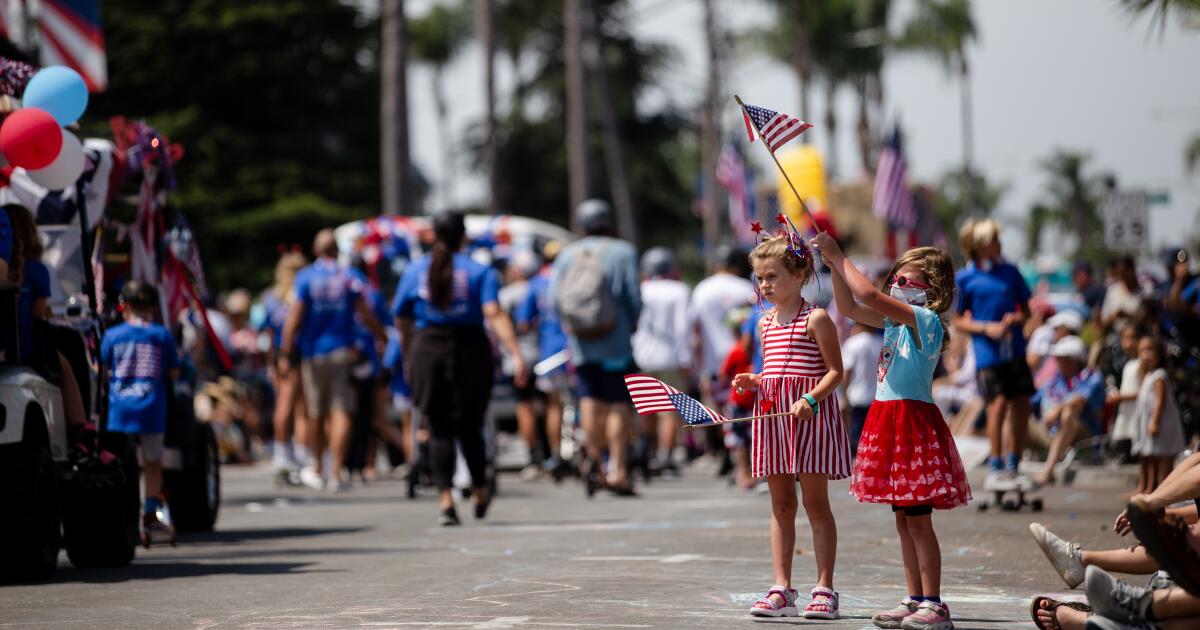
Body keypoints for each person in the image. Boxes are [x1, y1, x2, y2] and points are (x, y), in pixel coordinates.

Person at [813, 233, 971, 630]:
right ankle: (915, 596)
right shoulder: (894, 323)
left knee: (919, 520)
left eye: (906, 281)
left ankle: (934, 603)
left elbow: (865, 294)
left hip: (912, 424)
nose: (896, 286)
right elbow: (849, 305)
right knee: (903, 520)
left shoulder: (924, 320)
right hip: (889, 420)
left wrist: (840, 255)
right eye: (895, 280)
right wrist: (833, 267)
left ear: (929, 289)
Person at [733, 232, 848, 620]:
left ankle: (824, 588)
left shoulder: (815, 318)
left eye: (772, 276)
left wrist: (810, 399)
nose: (764, 285)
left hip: (809, 419)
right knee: (781, 505)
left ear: (799, 274)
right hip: (773, 418)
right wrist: (756, 381)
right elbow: (776, 372)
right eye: (760, 278)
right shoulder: (764, 323)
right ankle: (781, 587)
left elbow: (835, 371)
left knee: (816, 506)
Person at [394, 211, 527, 526]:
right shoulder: (480, 271)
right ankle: (479, 489)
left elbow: (401, 316)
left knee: (438, 427)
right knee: (471, 426)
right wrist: (515, 353)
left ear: (433, 236)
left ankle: (446, 500)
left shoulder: (415, 270)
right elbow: (493, 312)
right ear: (463, 236)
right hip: (470, 349)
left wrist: (407, 352)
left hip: (427, 349)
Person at [280, 229, 386, 491]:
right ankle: (336, 472)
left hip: (313, 352)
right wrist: (381, 335)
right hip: (342, 351)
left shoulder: (306, 278)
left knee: (315, 412)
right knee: (341, 411)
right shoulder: (349, 277)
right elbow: (365, 312)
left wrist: (285, 350)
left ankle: (318, 466)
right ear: (336, 251)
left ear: (316, 251)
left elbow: (295, 317)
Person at [551, 199, 641, 496]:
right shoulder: (623, 251)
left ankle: (596, 463)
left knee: (589, 399)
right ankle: (618, 469)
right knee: (617, 403)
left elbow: (555, 301)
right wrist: (631, 323)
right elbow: (632, 296)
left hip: (582, 343)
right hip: (616, 343)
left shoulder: (566, 255)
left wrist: (574, 326)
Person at [953, 218, 1035, 488]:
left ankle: (1014, 461)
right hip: (987, 351)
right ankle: (996, 464)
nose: (999, 244)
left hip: (1015, 348)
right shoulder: (965, 278)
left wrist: (1016, 319)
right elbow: (958, 320)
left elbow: (1027, 311)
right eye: (994, 240)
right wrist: (986, 328)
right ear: (979, 246)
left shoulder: (1010, 271)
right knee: (997, 404)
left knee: (1022, 403)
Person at [100, 281, 180, 542]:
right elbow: (172, 372)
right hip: (152, 407)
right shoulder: (161, 335)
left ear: (125, 305)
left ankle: (125, 515)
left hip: (120, 409)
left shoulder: (112, 335)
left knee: (123, 462)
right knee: (153, 462)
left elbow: (102, 371)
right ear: (154, 307)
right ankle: (148, 514)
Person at [631, 247, 691, 475]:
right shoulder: (679, 290)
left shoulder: (641, 289)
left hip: (641, 356)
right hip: (670, 357)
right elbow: (682, 327)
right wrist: (686, 358)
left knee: (645, 409)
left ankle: (646, 450)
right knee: (668, 411)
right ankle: (666, 455)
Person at [515, 241, 569, 476]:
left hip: (549, 352)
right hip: (579, 349)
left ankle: (555, 455)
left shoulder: (536, 284)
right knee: (590, 403)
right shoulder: (571, 279)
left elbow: (524, 322)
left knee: (554, 406)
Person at [259, 251, 310, 481]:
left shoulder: (271, 297)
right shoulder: (300, 295)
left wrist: (272, 362)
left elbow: (268, 333)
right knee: (299, 407)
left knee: (284, 403)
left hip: (279, 352)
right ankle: (297, 454)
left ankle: (283, 453)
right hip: (297, 352)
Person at [1029, 336, 1106, 486]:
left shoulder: (1092, 376)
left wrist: (1057, 409)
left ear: (1074, 360)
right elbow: (1032, 401)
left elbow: (1080, 400)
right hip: (1050, 431)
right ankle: (1007, 469)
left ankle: (1048, 470)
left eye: (1061, 358)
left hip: (1083, 432)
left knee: (1068, 413)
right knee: (1016, 414)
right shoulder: (1054, 380)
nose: (1056, 362)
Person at [498, 250, 544, 480]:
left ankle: (533, 456)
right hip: (543, 354)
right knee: (548, 406)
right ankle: (549, 453)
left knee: (524, 407)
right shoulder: (542, 287)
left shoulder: (507, 295)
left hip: (516, 357)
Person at [1129, 335, 1186, 494]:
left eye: (1150, 350)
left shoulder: (1160, 375)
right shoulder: (1148, 375)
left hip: (1161, 422)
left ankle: (1162, 489)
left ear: (1159, 353)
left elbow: (1160, 401)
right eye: (1142, 351)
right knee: (1150, 456)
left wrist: (1155, 421)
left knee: (1163, 458)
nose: (1146, 355)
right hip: (1149, 420)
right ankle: (1148, 487)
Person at [842, 319, 883, 458]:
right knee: (874, 435)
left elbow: (846, 372)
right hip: (878, 397)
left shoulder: (852, 343)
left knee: (858, 434)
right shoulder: (881, 342)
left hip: (856, 396)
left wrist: (844, 395)